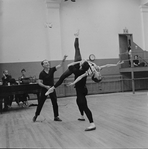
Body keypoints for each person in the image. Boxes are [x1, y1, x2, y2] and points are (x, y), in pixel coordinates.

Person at [46, 30, 96, 131]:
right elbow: (77, 48)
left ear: (81, 65)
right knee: (78, 101)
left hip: (81, 89)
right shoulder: (86, 70)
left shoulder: (77, 70)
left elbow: (72, 70)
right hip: (81, 88)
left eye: (82, 62)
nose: (81, 61)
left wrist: (76, 64)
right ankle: (82, 116)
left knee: (83, 104)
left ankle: (92, 123)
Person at [32, 55, 67, 122]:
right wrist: (45, 86)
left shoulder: (52, 70)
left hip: (51, 89)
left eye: (48, 62)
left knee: (54, 102)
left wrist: (64, 59)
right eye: (46, 63)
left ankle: (56, 116)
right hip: (44, 89)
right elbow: (39, 82)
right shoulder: (41, 73)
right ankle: (36, 115)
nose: (47, 63)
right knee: (41, 103)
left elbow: (60, 65)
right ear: (43, 65)